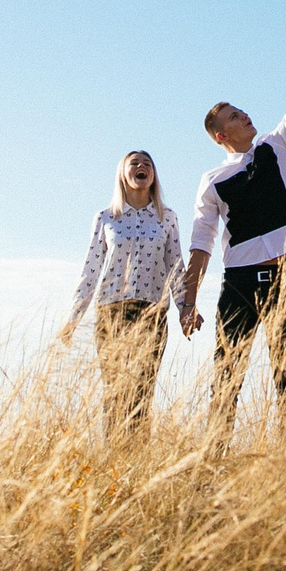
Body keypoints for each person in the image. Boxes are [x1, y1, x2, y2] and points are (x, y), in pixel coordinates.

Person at [180, 0, 286, 441]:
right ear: (221, 134)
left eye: (242, 109)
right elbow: (200, 243)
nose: (245, 114)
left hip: (285, 279)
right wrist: (188, 300)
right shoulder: (213, 180)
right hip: (238, 286)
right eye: (235, 116)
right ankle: (211, 465)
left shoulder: (277, 146)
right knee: (226, 380)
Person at [68, 149, 184, 441]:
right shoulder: (106, 217)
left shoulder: (166, 218)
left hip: (151, 313)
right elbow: (90, 269)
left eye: (147, 164)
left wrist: (186, 309)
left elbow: (175, 265)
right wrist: (73, 317)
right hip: (112, 312)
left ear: (153, 175)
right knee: (116, 391)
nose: (142, 167)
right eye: (135, 163)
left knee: (142, 392)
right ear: (123, 173)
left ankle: (137, 460)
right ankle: (114, 460)